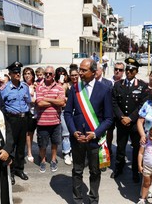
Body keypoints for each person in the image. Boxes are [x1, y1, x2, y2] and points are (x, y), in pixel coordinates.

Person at [64, 58, 113, 204]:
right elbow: (67, 113)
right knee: (77, 171)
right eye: (80, 69)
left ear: (93, 72)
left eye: (84, 70)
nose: (80, 72)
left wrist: (96, 133)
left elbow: (109, 118)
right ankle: (77, 200)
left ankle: (93, 200)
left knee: (95, 172)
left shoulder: (104, 89)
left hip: (95, 140)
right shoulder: (75, 88)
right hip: (77, 139)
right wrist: (73, 132)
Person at [111, 57, 148, 183]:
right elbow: (114, 102)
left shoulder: (143, 86)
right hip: (121, 123)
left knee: (136, 148)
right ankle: (119, 167)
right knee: (120, 148)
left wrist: (131, 118)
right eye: (127, 70)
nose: (128, 72)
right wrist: (122, 117)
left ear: (136, 72)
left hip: (134, 124)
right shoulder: (118, 85)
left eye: (132, 70)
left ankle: (135, 171)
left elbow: (142, 105)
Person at [0, 61, 31, 185]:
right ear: (10, 74)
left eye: (19, 72)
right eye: (15, 72)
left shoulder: (25, 87)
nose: (17, 74)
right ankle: (11, 172)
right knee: (11, 147)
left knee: (21, 146)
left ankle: (19, 169)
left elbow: (28, 100)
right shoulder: (4, 89)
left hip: (23, 119)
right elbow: (0, 105)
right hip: (11, 120)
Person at [36, 66, 65, 173]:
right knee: (42, 145)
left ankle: (53, 160)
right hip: (42, 122)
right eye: (46, 73)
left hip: (55, 122)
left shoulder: (59, 87)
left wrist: (46, 98)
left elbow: (62, 103)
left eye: (50, 73)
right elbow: (39, 103)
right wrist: (54, 100)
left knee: (54, 144)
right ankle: (43, 161)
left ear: (54, 75)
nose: (48, 75)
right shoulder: (39, 87)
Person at [137, 124, 152, 204]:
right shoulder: (146, 141)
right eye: (150, 135)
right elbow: (140, 153)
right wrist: (139, 165)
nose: (151, 138)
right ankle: (142, 199)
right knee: (146, 183)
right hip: (147, 167)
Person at [107, 62, 125, 156]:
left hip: (121, 112)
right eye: (116, 69)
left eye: (120, 70)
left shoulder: (126, 82)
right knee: (109, 132)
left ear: (123, 72)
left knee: (121, 134)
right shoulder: (108, 81)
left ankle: (120, 151)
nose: (117, 71)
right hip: (109, 111)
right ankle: (108, 149)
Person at [55, 66, 72, 165]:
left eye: (64, 74)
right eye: (60, 75)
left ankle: (72, 151)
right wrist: (61, 86)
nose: (63, 76)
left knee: (73, 133)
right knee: (65, 134)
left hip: (73, 111)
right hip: (63, 111)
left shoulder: (71, 84)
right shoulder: (57, 85)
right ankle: (66, 153)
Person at [22, 67, 37, 163]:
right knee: (27, 134)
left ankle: (29, 150)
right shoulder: (22, 86)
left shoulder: (36, 85)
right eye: (25, 73)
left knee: (31, 133)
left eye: (29, 73)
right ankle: (29, 152)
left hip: (36, 113)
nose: (27, 75)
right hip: (26, 112)